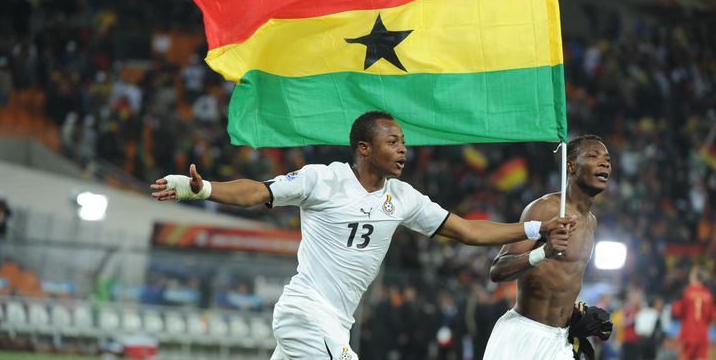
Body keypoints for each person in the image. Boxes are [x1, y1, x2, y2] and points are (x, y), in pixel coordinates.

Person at [150, 111, 577, 360]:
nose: (403, 148)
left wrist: (538, 229)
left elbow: (467, 229)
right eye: (393, 141)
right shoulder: (322, 180)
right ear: (364, 148)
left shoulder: (404, 197)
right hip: (306, 312)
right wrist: (203, 189)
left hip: (337, 321)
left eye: (404, 141)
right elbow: (258, 192)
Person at [485, 134, 613, 360]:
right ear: (571, 166)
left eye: (607, 159)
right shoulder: (545, 209)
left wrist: (577, 314)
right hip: (521, 335)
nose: (604, 163)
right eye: (593, 156)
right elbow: (498, 269)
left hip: (559, 341)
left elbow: (558, 280)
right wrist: (543, 253)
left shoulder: (591, 222)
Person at [672, 266, 715, 360]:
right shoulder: (708, 294)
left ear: (695, 277)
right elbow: (711, 316)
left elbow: (678, 313)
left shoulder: (687, 292)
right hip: (703, 334)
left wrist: (675, 304)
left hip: (689, 333)